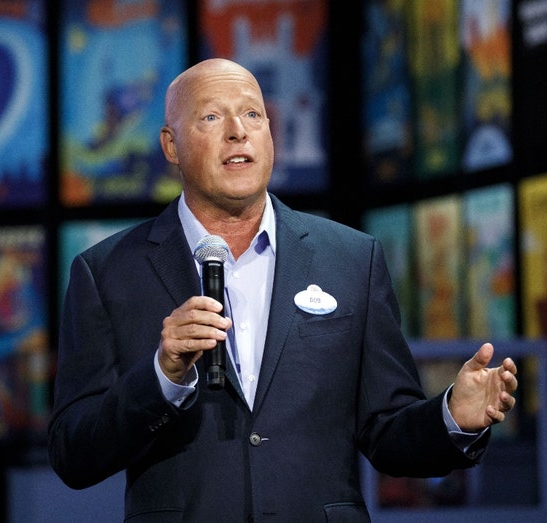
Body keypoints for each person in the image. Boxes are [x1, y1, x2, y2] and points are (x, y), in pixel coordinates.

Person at [48, 57, 518, 521]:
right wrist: (161, 377)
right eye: (212, 117)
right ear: (171, 145)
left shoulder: (352, 259)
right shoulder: (106, 272)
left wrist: (453, 415)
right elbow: (74, 453)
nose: (238, 131)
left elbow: (387, 431)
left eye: (253, 114)